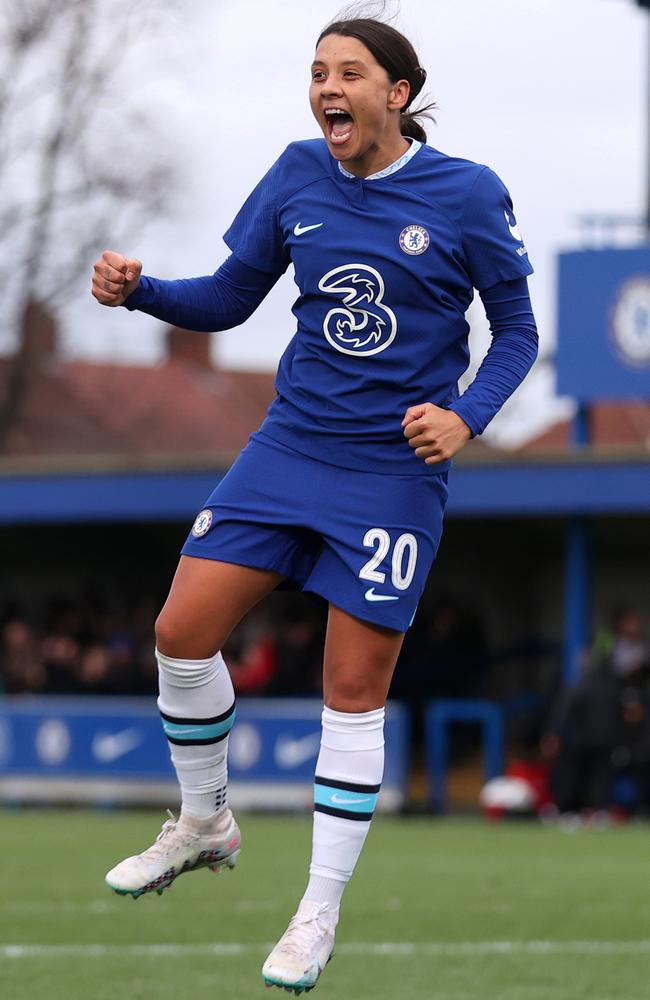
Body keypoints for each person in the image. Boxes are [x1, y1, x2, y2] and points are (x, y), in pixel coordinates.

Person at [91, 13, 538, 994]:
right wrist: (142, 291)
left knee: (350, 691)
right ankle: (204, 821)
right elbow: (226, 297)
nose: (327, 86)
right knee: (178, 630)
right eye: (316, 72)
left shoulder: (464, 195)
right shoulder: (296, 172)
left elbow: (514, 332)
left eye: (348, 72)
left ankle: (315, 912)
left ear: (397, 93)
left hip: (390, 474)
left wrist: (464, 418)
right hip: (287, 448)